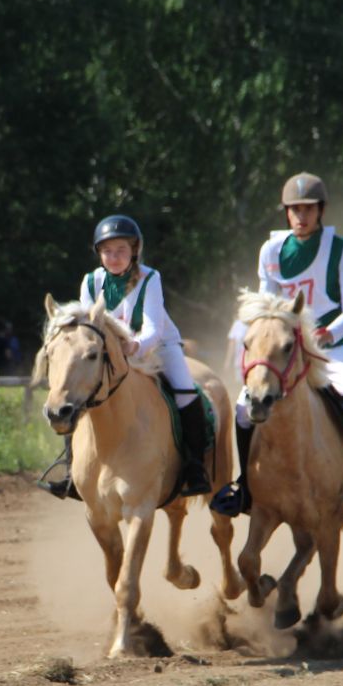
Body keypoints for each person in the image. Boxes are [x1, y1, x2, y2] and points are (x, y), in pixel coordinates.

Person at [211, 173, 343, 520]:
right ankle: (243, 487)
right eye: (294, 210)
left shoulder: (342, 248)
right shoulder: (272, 250)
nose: (301, 217)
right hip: (284, 352)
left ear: (320, 210)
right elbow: (267, 303)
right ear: (286, 213)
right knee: (244, 408)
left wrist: (325, 334)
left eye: (308, 209)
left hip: (331, 349)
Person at [41, 214, 212, 500]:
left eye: (121, 250)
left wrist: (134, 346)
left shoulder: (149, 278)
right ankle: (72, 471)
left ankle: (195, 467)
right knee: (79, 396)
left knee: (185, 391)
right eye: (107, 251)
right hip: (109, 352)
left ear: (134, 250)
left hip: (156, 346)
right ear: (99, 254)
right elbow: (88, 327)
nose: (114, 257)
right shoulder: (91, 281)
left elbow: (154, 329)